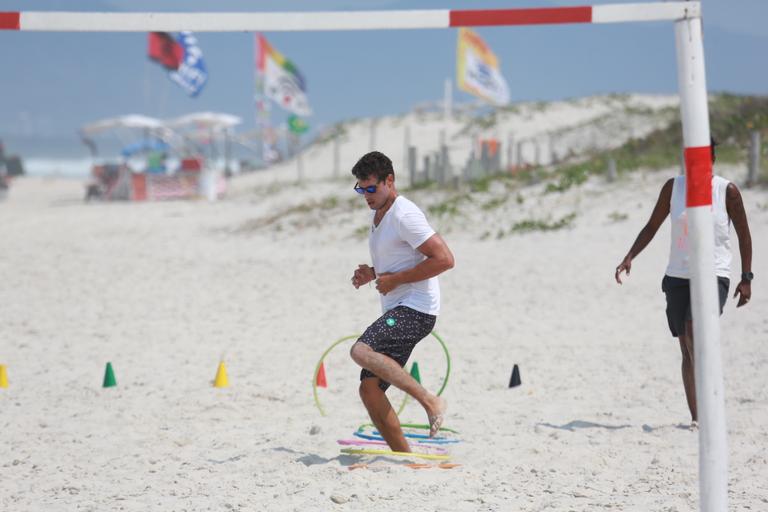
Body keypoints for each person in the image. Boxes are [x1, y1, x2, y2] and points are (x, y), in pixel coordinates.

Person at [614, 140, 753, 425]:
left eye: (702, 159)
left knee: (694, 329)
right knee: (686, 348)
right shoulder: (673, 188)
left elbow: (744, 235)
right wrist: (630, 255)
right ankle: (697, 419)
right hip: (677, 276)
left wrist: (746, 277)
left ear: (713, 158)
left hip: (714, 273)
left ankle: (711, 403)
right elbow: (653, 225)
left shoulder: (726, 191)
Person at [348, 151, 454, 452]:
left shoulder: (405, 214)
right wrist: (373, 273)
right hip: (399, 309)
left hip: (416, 309)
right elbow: (400, 261)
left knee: (360, 350)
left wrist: (396, 280)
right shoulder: (379, 214)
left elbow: (445, 259)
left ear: (389, 181)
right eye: (361, 189)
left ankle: (430, 400)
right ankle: (404, 457)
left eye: (371, 188)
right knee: (369, 389)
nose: (366, 195)